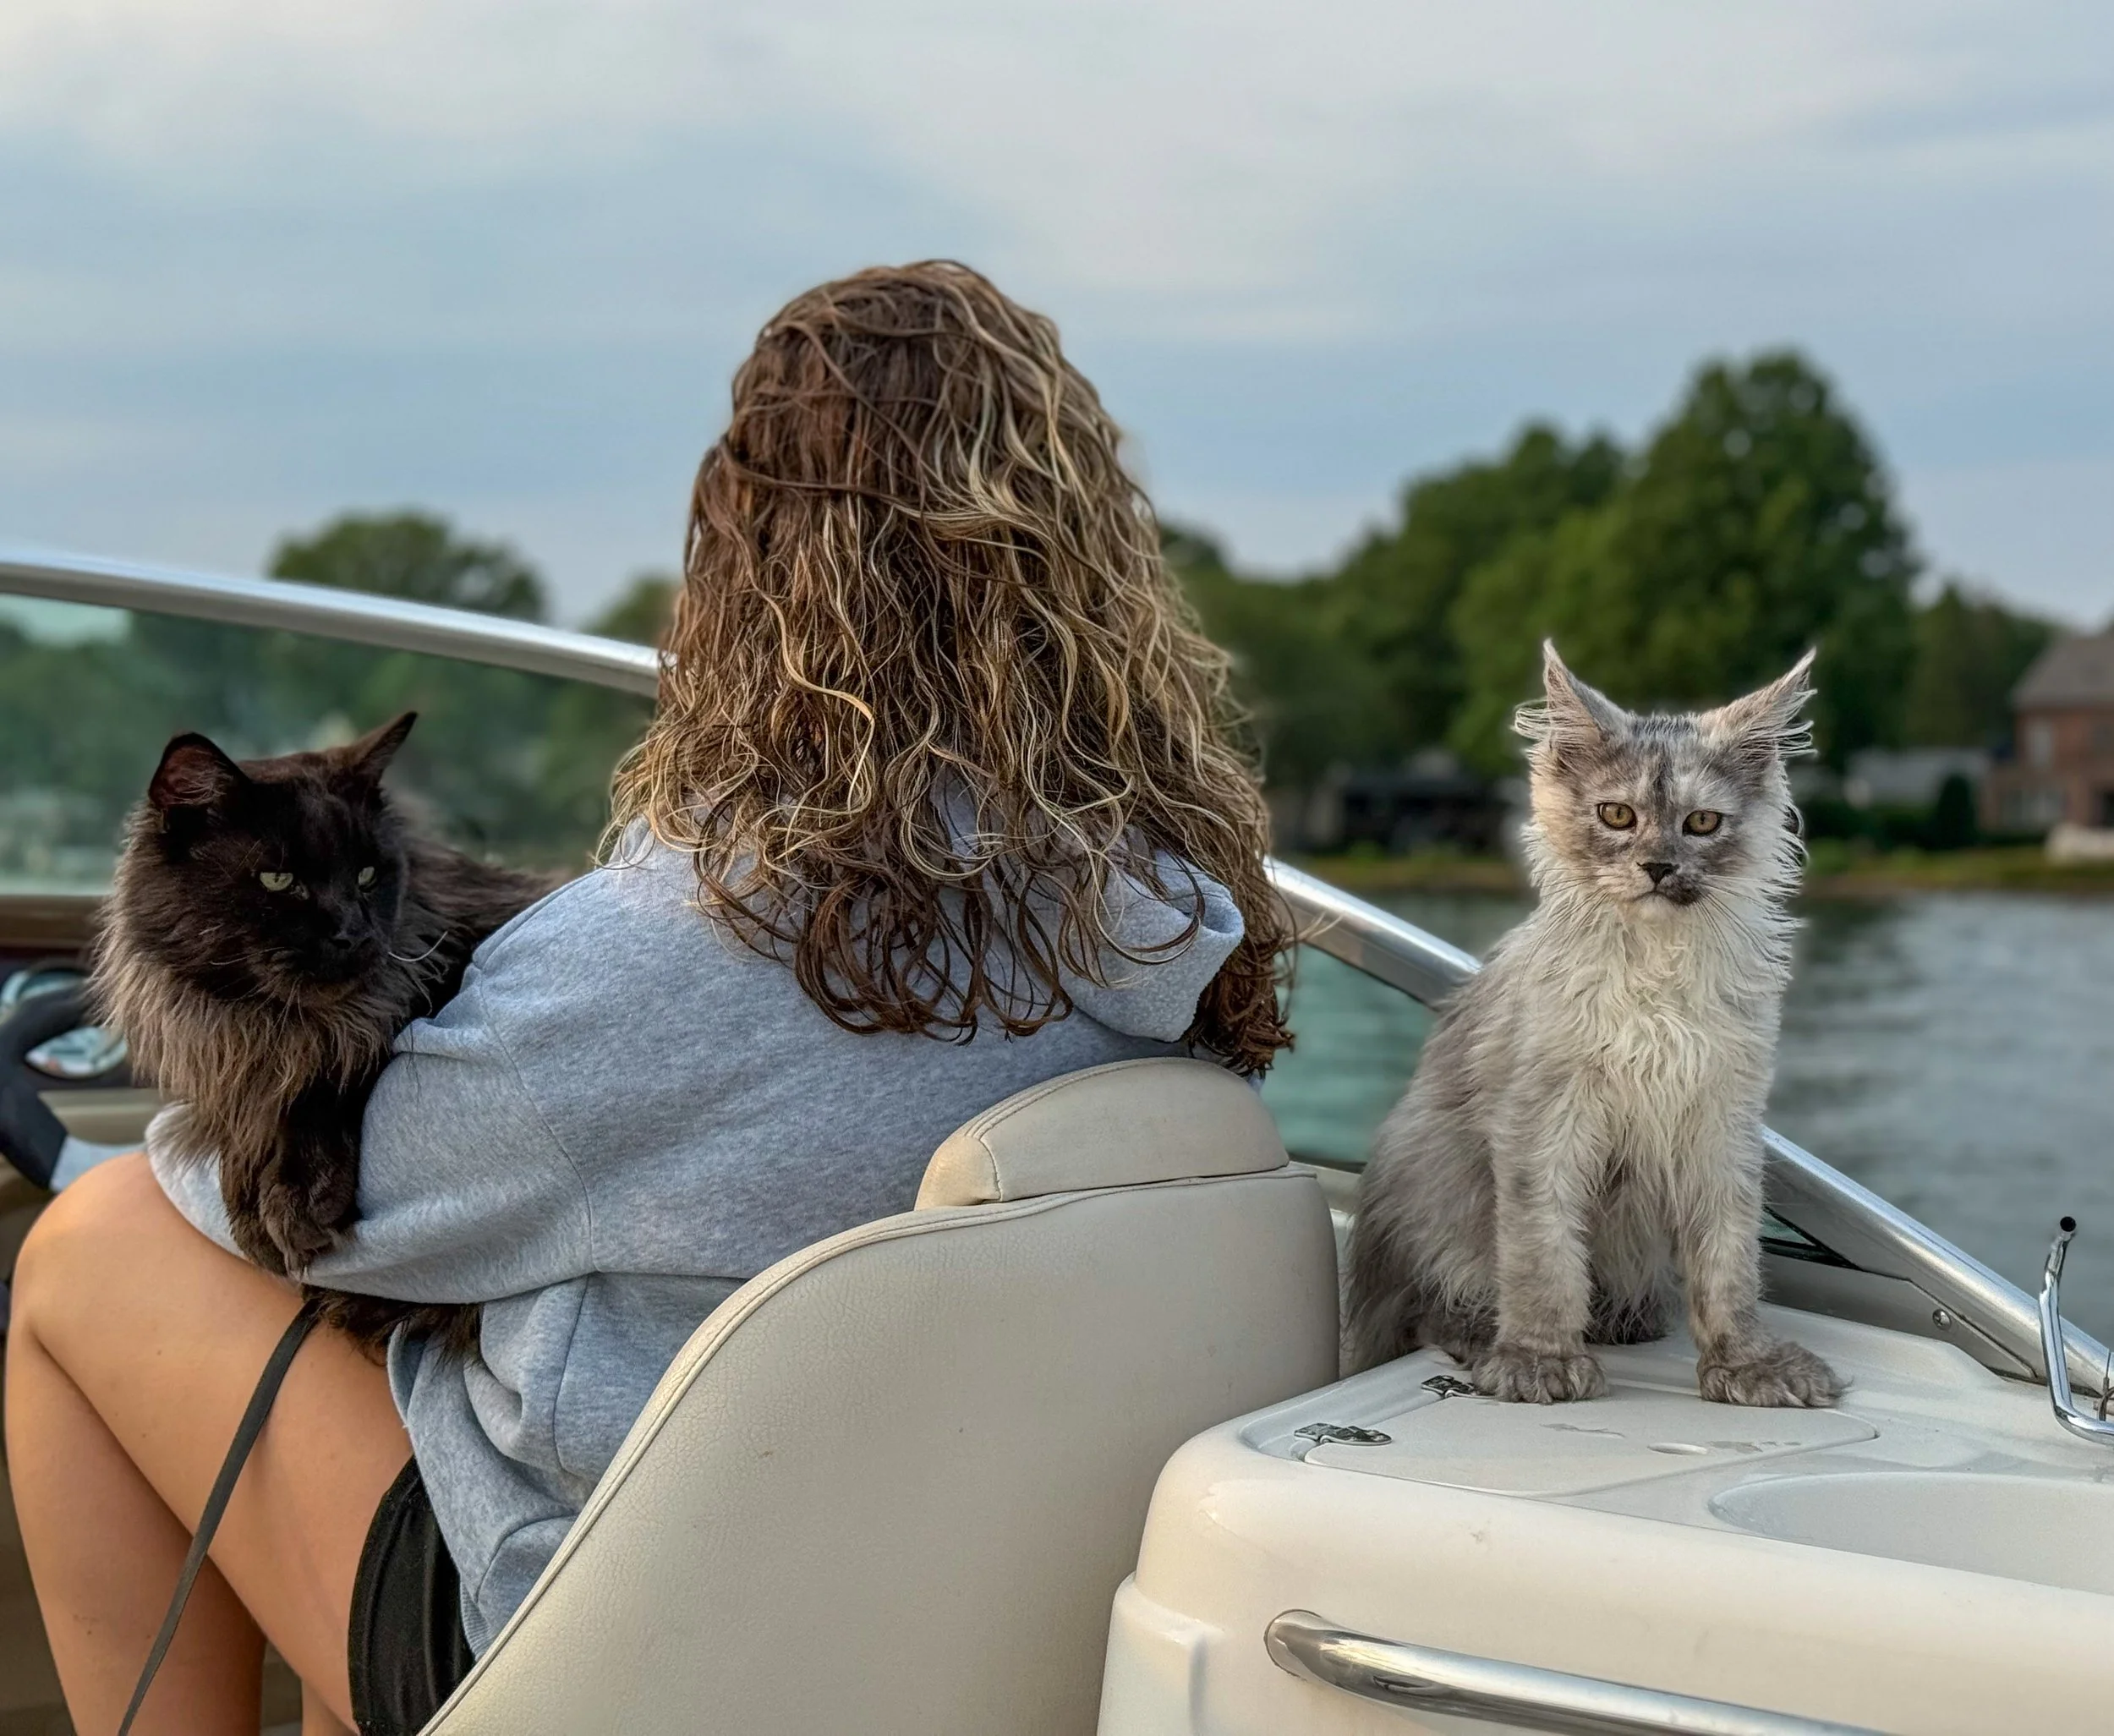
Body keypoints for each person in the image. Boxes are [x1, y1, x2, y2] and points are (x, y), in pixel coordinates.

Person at [3, 260, 1291, 1736]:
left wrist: (164, 1143)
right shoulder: (1159, 920)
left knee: (95, 1237)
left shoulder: (657, 960)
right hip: (955, 1638)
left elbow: (328, 1212)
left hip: (613, 1649)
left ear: (740, 566)